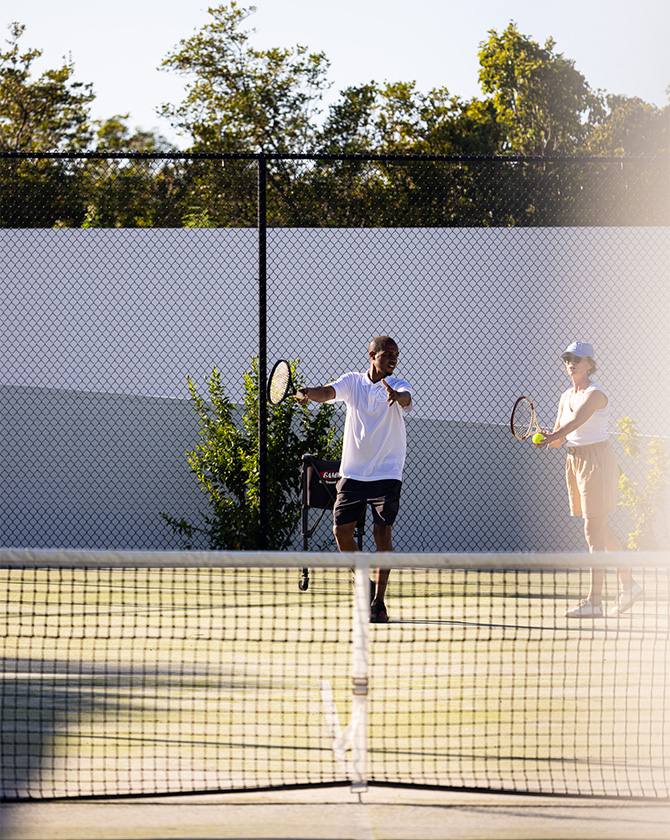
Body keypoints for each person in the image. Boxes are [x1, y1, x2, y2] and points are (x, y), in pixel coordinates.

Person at [294, 335, 413, 623]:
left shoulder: (397, 385)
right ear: (372, 355)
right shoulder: (353, 382)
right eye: (387, 354)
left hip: (386, 473)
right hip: (353, 474)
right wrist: (308, 392)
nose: (393, 359)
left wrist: (397, 397)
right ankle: (364, 579)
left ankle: (378, 603)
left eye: (396, 355)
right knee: (340, 532)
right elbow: (327, 391)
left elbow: (407, 399)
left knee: (382, 535)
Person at [535, 341, 642, 618]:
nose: (572, 363)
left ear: (590, 365)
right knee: (601, 530)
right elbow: (560, 438)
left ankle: (594, 602)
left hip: (597, 461)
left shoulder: (596, 394)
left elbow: (577, 422)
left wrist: (555, 436)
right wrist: (548, 439)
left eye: (578, 359)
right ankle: (629, 586)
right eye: (568, 358)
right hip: (574, 461)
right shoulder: (564, 397)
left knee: (591, 531)